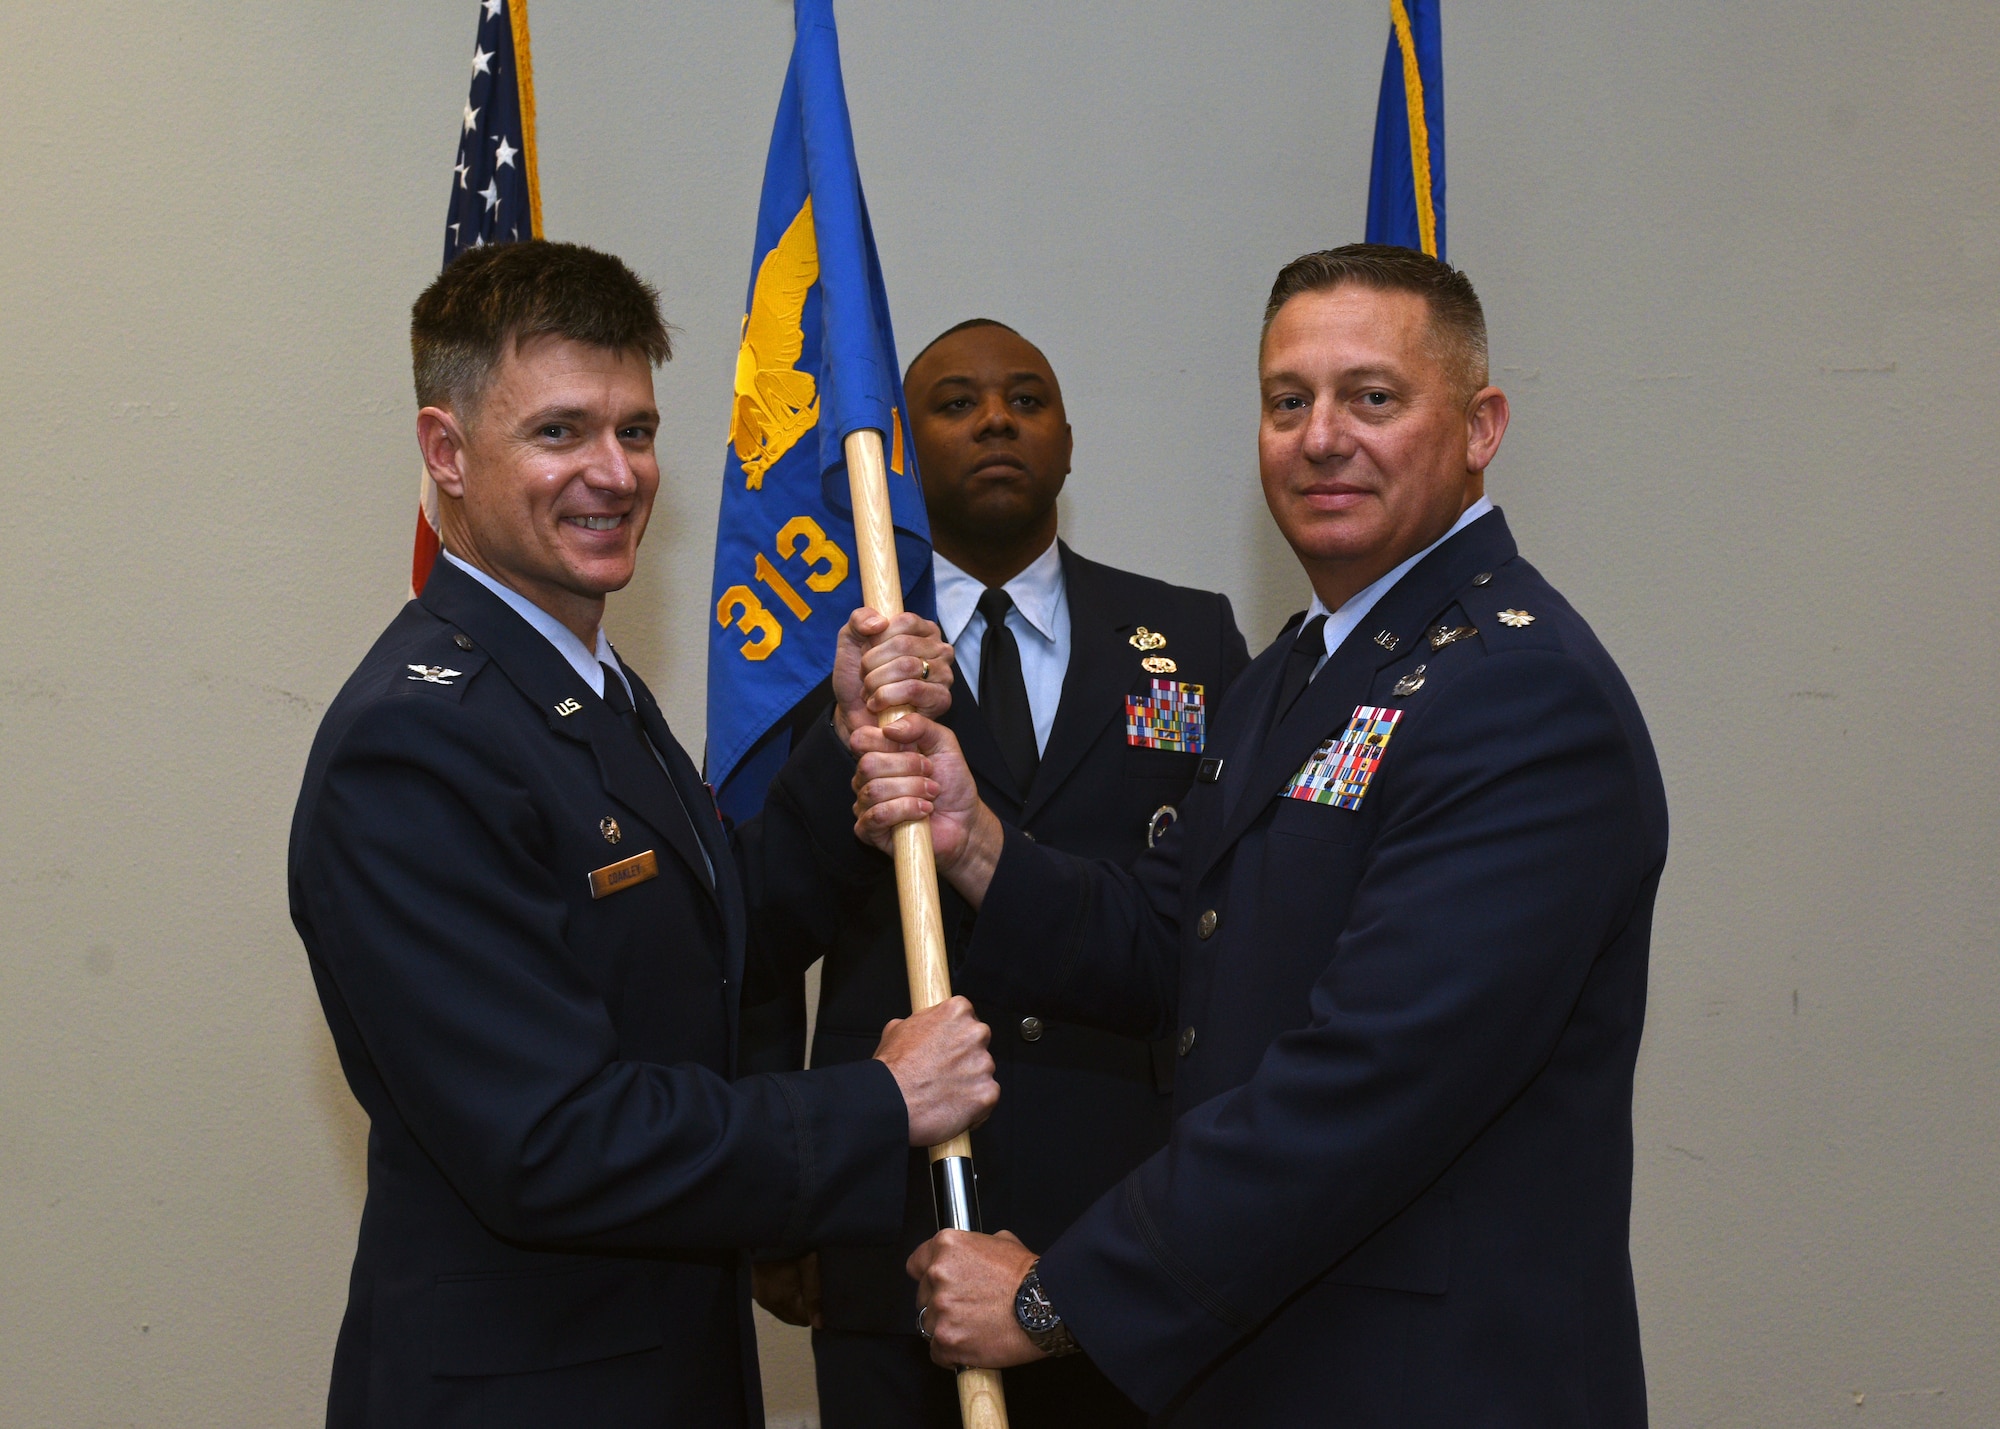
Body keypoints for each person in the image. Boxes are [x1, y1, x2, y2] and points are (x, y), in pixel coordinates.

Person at [848, 245, 1669, 1424]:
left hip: (1432, 1380)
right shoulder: (1295, 668)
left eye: (1370, 398)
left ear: (1480, 426)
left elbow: (1368, 1082)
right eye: (1288, 401)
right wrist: (969, 832)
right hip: (1280, 1356)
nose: (1320, 436)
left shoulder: (1516, 694)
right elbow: (1167, 936)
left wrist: (1055, 1296)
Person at [286, 240, 999, 1429]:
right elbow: (553, 1140)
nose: (614, 474)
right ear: (446, 453)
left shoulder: (581, 690)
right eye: (560, 432)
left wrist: (841, 743)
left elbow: (714, 949)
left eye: (636, 430)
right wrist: (881, 1101)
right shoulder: (415, 746)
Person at [749, 319, 1250, 1428]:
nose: (994, 420)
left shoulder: (1190, 638)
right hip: (893, 1230)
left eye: (1025, 399)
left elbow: (1226, 938)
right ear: (901, 457)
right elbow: (761, 937)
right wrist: (782, 1210)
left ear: (1068, 443)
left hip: (1125, 1224)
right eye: (955, 402)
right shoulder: (833, 657)